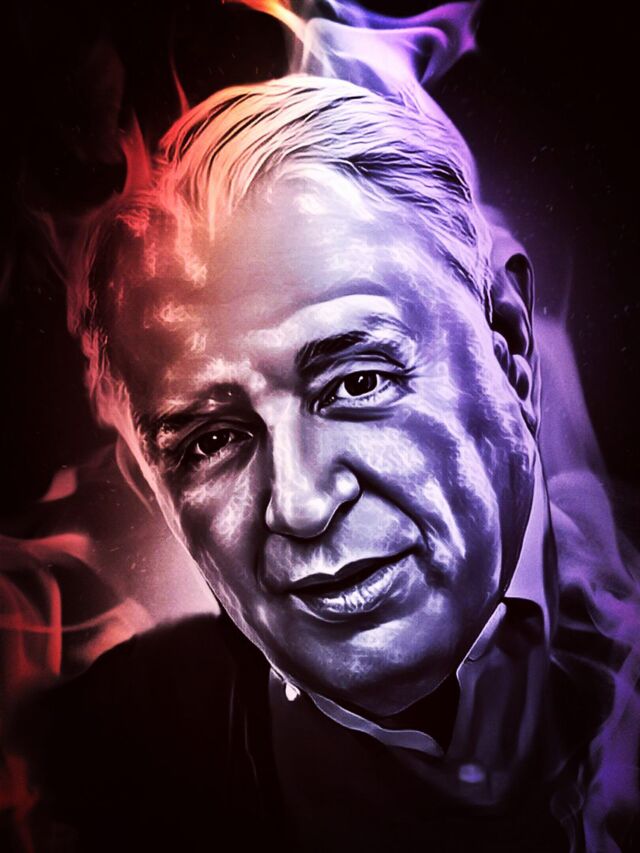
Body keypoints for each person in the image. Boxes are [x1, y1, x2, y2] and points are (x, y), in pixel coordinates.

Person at [11, 2, 640, 851]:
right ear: (154, 489)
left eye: (357, 382)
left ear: (509, 347)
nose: (302, 503)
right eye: (210, 440)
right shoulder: (96, 781)